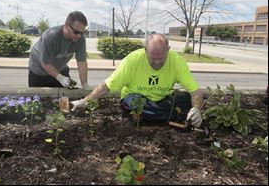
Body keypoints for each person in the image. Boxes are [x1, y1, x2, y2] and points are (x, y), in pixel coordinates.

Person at [70, 34, 203, 128]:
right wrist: (84, 101)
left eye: (161, 58)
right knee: (138, 102)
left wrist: (196, 108)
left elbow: (195, 90)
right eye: (153, 58)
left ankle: (154, 115)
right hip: (135, 97)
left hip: (162, 100)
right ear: (145, 51)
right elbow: (107, 85)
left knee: (185, 98)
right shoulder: (132, 60)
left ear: (168, 51)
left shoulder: (176, 61)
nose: (157, 63)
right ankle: (167, 114)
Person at [28, 11, 91, 89]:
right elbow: (45, 63)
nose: (79, 36)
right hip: (39, 71)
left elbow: (82, 62)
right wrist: (60, 78)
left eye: (82, 33)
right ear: (67, 26)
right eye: (76, 32)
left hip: (60, 69)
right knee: (38, 99)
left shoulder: (80, 40)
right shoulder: (51, 36)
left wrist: (85, 84)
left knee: (66, 98)